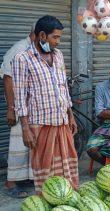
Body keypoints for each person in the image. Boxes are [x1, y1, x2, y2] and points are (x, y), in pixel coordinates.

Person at [12, 15, 78, 194]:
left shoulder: (58, 56)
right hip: (41, 123)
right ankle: (48, 197)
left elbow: (63, 86)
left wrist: (70, 115)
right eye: (55, 37)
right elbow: (19, 96)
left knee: (68, 162)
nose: (58, 41)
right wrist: (25, 128)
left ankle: (66, 196)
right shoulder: (22, 59)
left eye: (59, 37)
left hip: (62, 121)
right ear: (42, 36)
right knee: (44, 165)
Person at [1, 24, 36, 198]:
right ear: (37, 34)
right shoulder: (19, 49)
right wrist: (10, 108)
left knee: (29, 144)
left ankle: (26, 177)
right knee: (18, 144)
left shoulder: (33, 49)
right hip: (18, 106)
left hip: (31, 107)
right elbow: (8, 78)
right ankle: (10, 182)